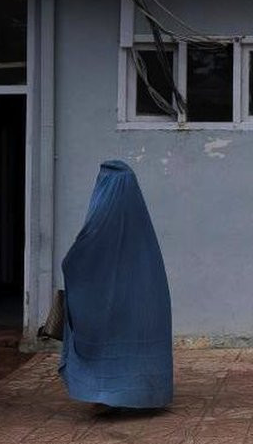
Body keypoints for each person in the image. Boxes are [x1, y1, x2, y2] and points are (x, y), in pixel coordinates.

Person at [59, 160, 173, 410]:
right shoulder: (140, 222)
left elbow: (82, 254)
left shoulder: (101, 219)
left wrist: (71, 264)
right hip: (143, 296)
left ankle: (107, 394)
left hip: (105, 296)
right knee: (132, 337)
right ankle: (140, 394)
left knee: (107, 337)